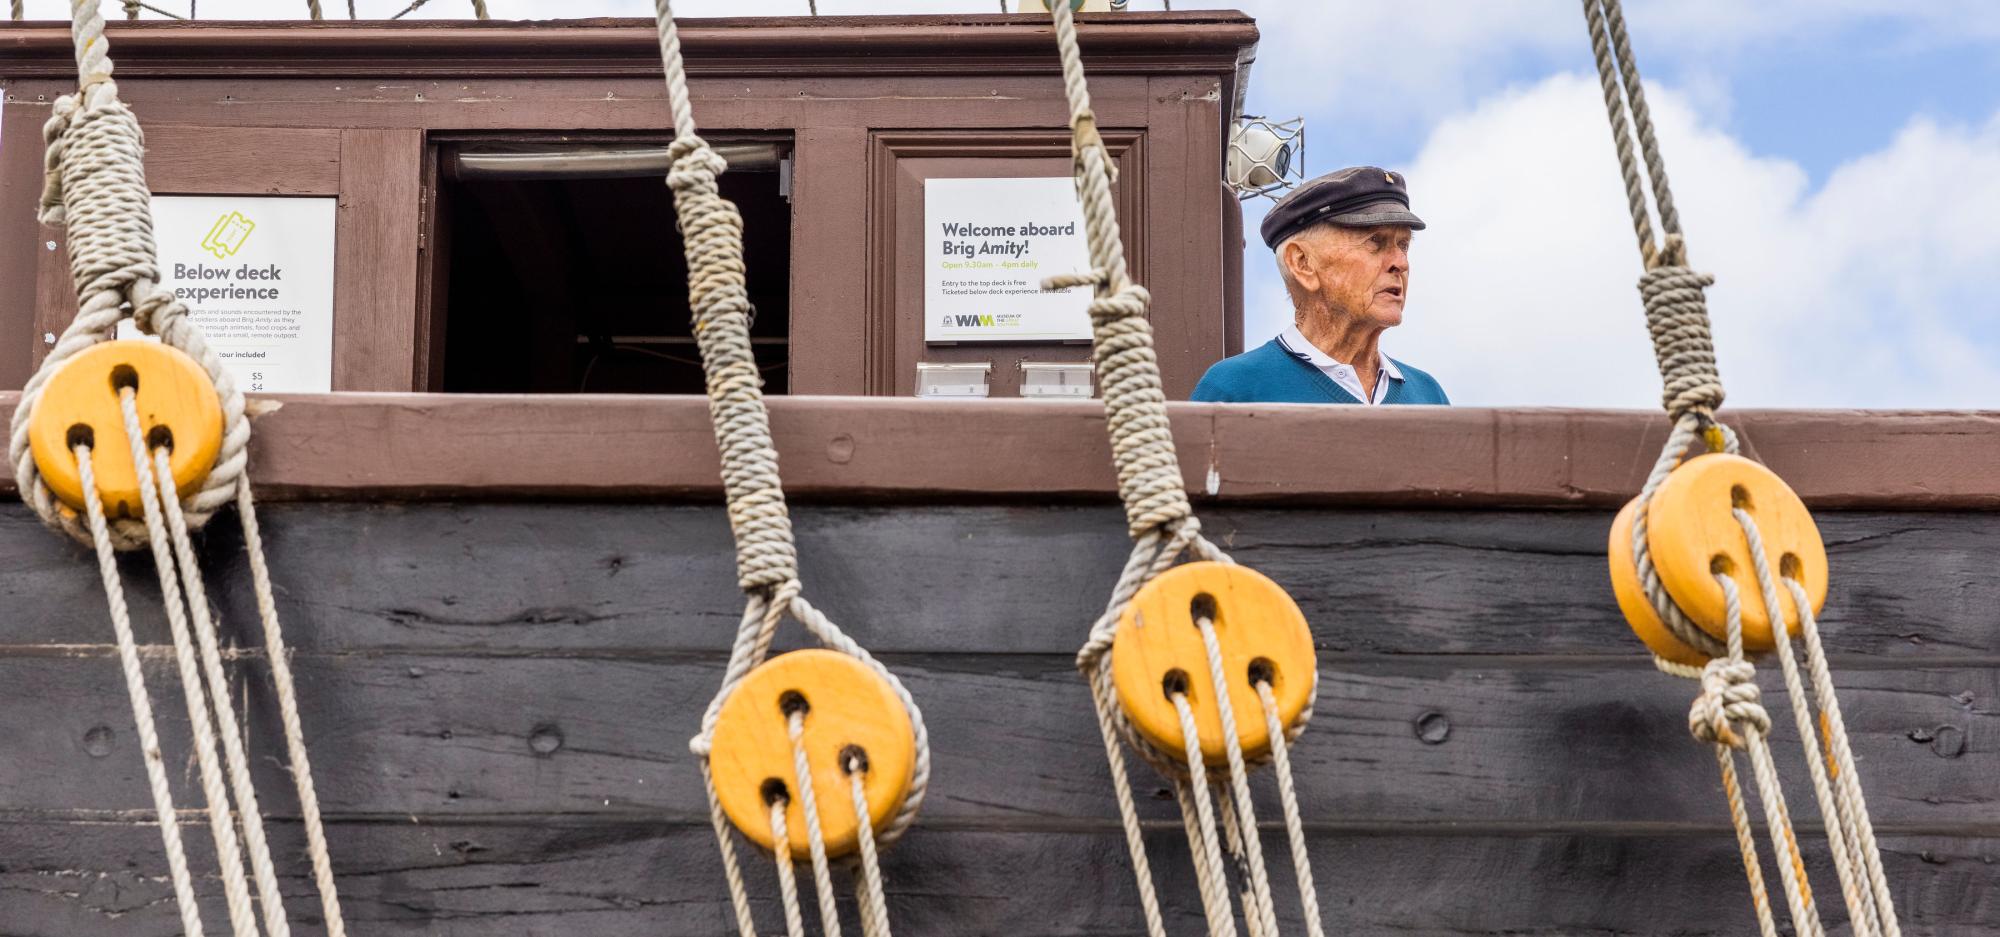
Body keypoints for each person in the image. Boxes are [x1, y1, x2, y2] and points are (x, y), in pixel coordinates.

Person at [1192, 166, 1448, 404]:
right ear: (1302, 263)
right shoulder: (1234, 389)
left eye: (1403, 245)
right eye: (1375, 242)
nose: (1400, 263)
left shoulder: (1429, 396)